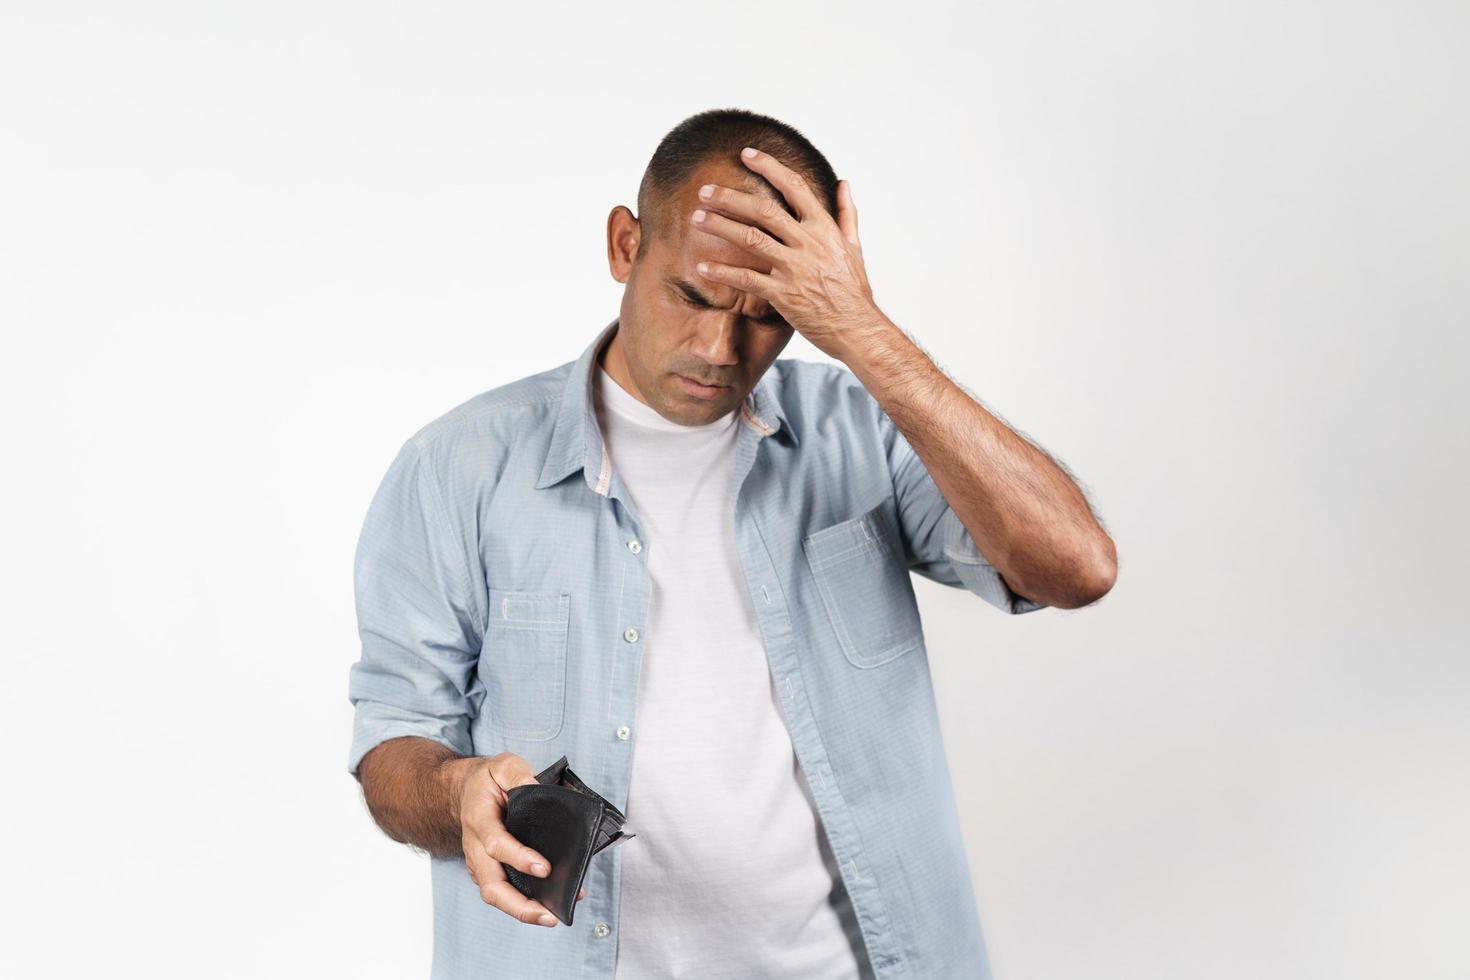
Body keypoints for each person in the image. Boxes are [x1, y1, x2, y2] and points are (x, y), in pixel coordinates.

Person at [346, 107, 1116, 980]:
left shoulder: (860, 435)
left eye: (768, 314)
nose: (720, 349)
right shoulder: (460, 467)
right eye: (694, 295)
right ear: (625, 245)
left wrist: (863, 332)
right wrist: (456, 793)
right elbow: (395, 740)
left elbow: (1077, 567)